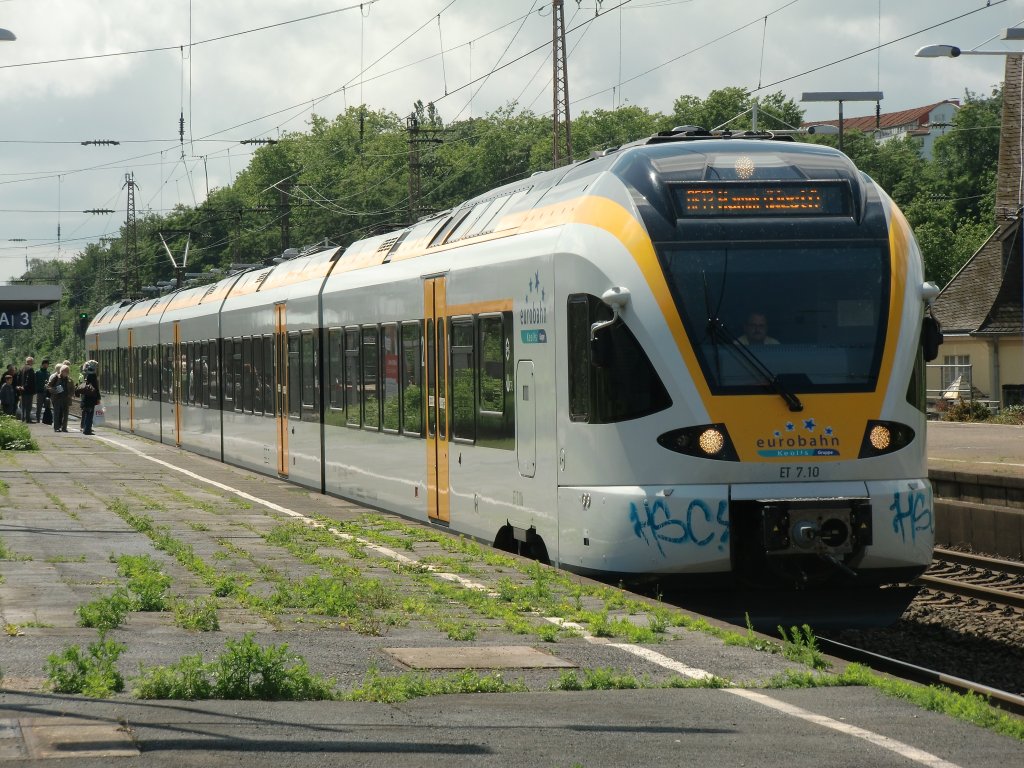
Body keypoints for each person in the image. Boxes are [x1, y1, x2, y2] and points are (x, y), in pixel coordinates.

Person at [77, 360, 101, 435]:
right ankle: (87, 429)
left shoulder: (85, 375)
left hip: (85, 397)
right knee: (90, 414)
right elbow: (96, 388)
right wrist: (98, 398)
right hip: (91, 398)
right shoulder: (93, 376)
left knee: (87, 413)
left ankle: (85, 427)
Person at [48, 364, 73, 433]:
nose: (66, 373)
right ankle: (56, 427)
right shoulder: (56, 377)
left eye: (67, 371)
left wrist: (70, 395)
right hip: (57, 398)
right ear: (61, 371)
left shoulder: (70, 380)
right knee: (57, 413)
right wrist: (55, 390)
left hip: (66, 399)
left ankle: (64, 427)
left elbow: (72, 389)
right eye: (65, 371)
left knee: (65, 414)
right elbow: (49, 386)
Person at [17, 356, 36, 422]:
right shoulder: (30, 369)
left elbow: (18, 378)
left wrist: (19, 386)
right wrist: (25, 387)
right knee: (28, 405)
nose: (33, 363)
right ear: (30, 362)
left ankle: (23, 418)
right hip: (28, 390)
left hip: (22, 390)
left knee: (23, 405)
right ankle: (27, 418)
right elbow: (29, 380)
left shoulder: (21, 368)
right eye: (32, 362)